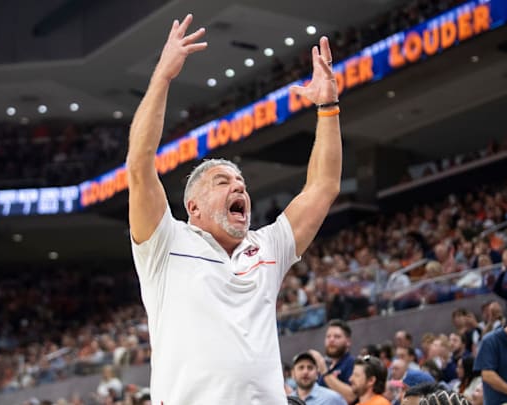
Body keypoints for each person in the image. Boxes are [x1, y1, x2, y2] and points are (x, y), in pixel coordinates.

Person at [127, 14, 342, 405]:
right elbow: (140, 166)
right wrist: (162, 76)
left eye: (241, 182)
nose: (238, 185)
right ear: (192, 206)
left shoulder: (267, 247)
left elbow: (323, 187)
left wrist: (328, 107)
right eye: (223, 182)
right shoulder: (164, 243)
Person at [310, 319, 356, 402]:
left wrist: (325, 372)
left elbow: (351, 396)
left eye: (337, 336)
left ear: (348, 341)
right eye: (328, 336)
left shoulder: (352, 363)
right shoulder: (328, 366)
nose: (331, 340)